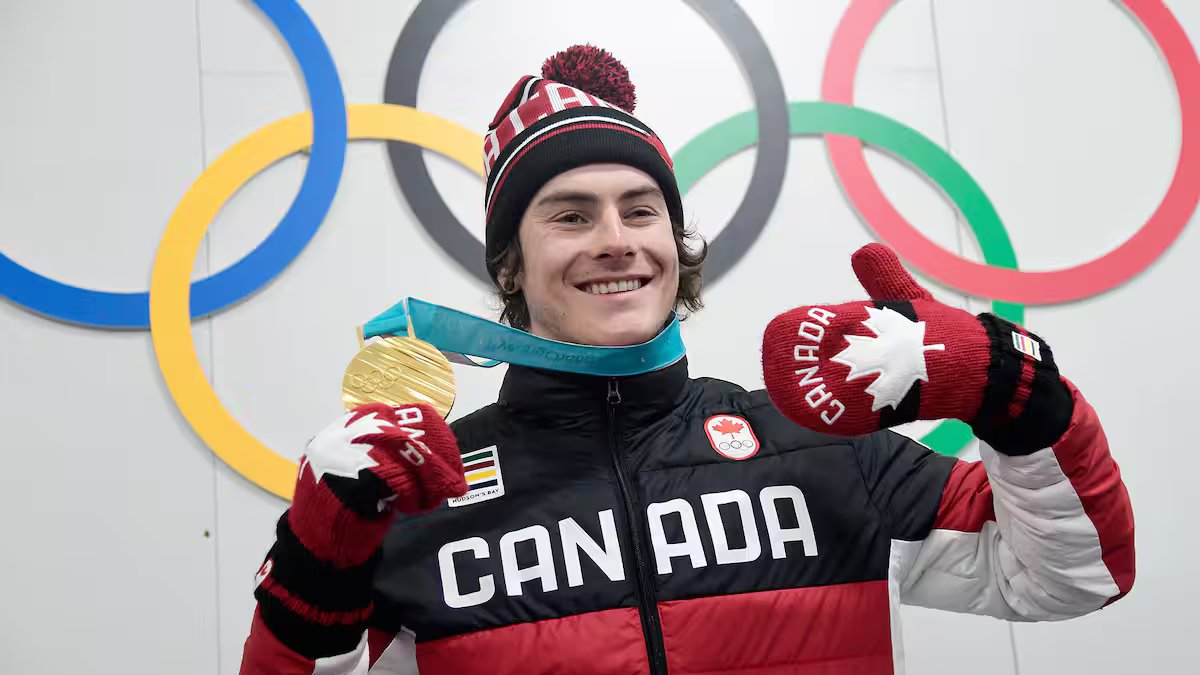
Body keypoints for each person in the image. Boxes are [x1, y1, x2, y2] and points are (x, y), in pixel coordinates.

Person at [239, 45, 1135, 675]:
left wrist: (1012, 391)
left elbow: (1073, 575)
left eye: (640, 209)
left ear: (677, 240)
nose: (614, 241)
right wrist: (319, 553)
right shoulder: (425, 489)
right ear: (511, 266)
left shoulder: (817, 444)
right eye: (569, 214)